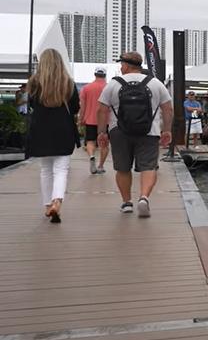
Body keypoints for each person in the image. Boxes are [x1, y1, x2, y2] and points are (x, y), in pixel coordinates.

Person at [97, 51, 172, 217]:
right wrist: (167, 130)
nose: (120, 67)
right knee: (149, 167)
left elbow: (102, 110)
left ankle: (126, 203)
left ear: (127, 65)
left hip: (119, 131)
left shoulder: (113, 84)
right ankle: (144, 198)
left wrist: (102, 133)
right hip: (149, 132)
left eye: (121, 64)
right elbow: (168, 108)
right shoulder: (155, 83)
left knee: (123, 168)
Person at [26, 49, 80, 223]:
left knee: (45, 170)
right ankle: (57, 201)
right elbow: (75, 108)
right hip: (63, 129)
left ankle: (48, 204)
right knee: (61, 169)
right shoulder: (68, 83)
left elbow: (31, 105)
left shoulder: (34, 83)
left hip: (41, 129)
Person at [78, 66, 109, 174]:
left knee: (90, 141)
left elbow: (82, 106)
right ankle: (100, 166)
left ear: (95, 75)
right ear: (105, 75)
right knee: (104, 144)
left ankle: (91, 156)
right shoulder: (109, 87)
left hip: (90, 119)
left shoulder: (86, 88)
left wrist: (81, 118)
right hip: (106, 121)